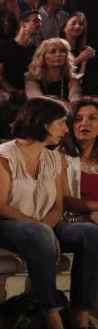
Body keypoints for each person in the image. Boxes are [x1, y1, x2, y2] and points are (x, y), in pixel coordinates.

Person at [0, 96, 98, 329]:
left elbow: (58, 206)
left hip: (41, 224)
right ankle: (54, 322)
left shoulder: (55, 159)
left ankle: (81, 316)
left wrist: (46, 228)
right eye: (60, 122)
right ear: (41, 122)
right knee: (39, 235)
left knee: (89, 233)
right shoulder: (5, 154)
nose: (66, 128)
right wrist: (41, 229)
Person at [0, 9, 40, 127]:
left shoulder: (36, 50)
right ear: (23, 24)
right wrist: (14, 91)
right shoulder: (4, 46)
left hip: (27, 89)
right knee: (2, 100)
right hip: (5, 89)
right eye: (36, 21)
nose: (39, 24)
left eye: (40, 22)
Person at [58, 99, 98, 232]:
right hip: (73, 220)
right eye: (78, 119)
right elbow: (63, 200)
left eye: (92, 118)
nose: (84, 123)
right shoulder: (59, 156)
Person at [25, 38, 82, 109]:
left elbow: (76, 106)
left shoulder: (73, 79)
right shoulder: (32, 78)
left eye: (62, 51)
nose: (58, 54)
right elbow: (38, 102)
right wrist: (66, 104)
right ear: (42, 56)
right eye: (52, 51)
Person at [60, 12, 95, 80]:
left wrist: (84, 62)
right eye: (73, 23)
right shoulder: (56, 48)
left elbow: (80, 77)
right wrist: (79, 59)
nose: (77, 26)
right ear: (64, 28)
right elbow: (56, 71)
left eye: (81, 24)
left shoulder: (85, 50)